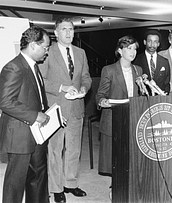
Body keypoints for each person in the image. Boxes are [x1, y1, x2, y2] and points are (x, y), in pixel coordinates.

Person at [39, 18, 92, 203]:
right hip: (56, 110)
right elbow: (41, 80)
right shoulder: (48, 52)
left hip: (76, 108)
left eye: (71, 29)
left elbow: (86, 77)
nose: (68, 33)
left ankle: (71, 183)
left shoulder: (80, 52)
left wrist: (84, 89)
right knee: (55, 151)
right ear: (56, 32)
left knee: (74, 150)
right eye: (64, 29)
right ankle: (56, 188)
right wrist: (62, 87)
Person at [0, 26, 50, 203]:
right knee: (15, 183)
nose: (46, 52)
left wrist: (51, 115)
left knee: (38, 176)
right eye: (45, 47)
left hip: (38, 133)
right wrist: (35, 116)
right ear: (33, 45)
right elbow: (5, 102)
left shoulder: (34, 67)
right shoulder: (14, 67)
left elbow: (37, 99)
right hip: (20, 135)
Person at [96, 35, 143, 179]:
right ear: (120, 51)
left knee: (130, 158)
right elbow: (100, 94)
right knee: (114, 160)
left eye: (134, 49)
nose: (133, 52)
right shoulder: (109, 70)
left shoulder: (138, 70)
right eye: (129, 48)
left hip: (132, 117)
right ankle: (114, 188)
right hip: (113, 119)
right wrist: (102, 102)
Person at [134, 29, 170, 95]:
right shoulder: (136, 60)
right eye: (149, 41)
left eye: (155, 42)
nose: (152, 44)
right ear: (145, 42)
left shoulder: (164, 61)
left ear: (158, 44)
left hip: (160, 99)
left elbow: (166, 83)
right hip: (143, 100)